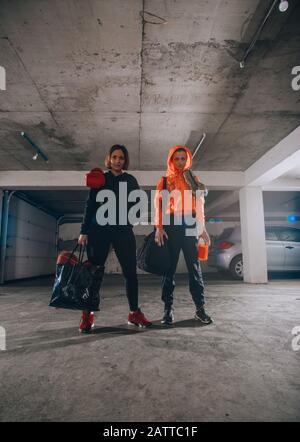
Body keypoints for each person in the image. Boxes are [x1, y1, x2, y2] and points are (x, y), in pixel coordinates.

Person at [78, 144, 152, 333]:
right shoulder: (100, 179)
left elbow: (138, 205)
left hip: (122, 231)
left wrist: (128, 222)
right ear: (109, 159)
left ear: (125, 160)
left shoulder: (130, 180)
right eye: (115, 157)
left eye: (121, 158)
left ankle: (134, 312)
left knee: (130, 273)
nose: (118, 161)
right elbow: (90, 205)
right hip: (99, 232)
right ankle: (88, 315)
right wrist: (84, 231)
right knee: (94, 274)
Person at [154, 145, 213, 326]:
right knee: (169, 270)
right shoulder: (164, 181)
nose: (180, 162)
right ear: (171, 160)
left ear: (187, 159)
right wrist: (159, 227)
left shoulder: (194, 180)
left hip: (190, 225)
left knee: (194, 269)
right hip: (171, 226)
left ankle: (200, 309)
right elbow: (159, 206)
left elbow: (199, 206)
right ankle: (168, 310)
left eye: (182, 158)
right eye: (176, 159)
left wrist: (202, 229)